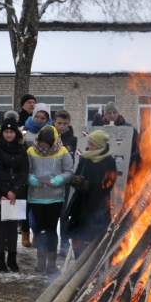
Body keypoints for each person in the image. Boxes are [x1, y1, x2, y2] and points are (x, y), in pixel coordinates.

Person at [27, 125, 73, 272]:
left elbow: (69, 172)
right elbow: (25, 172)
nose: (44, 147)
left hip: (55, 198)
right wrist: (35, 181)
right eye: (42, 144)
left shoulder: (63, 151)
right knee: (39, 230)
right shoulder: (30, 151)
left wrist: (56, 181)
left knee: (52, 230)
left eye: (47, 144)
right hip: (36, 197)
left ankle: (51, 263)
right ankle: (40, 261)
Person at [66, 129, 117, 257]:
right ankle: (78, 263)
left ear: (100, 146)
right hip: (80, 204)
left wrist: (88, 185)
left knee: (94, 239)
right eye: (89, 143)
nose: (90, 146)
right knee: (78, 238)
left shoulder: (109, 161)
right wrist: (75, 180)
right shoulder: (85, 157)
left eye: (93, 144)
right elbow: (77, 174)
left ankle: (93, 268)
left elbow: (108, 184)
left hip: (97, 206)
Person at [0, 112, 28, 272]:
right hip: (0, 192)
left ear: (16, 133)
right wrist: (7, 191)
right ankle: (0, 258)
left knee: (13, 226)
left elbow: (24, 171)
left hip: (16, 193)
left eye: (12, 132)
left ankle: (12, 257)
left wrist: (16, 190)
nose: (9, 135)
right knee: (0, 226)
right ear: (1, 133)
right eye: (6, 132)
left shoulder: (22, 149)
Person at [53, 109, 78, 255]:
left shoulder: (74, 140)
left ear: (69, 124)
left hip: (67, 183)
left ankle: (64, 242)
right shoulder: (50, 137)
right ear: (54, 122)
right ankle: (51, 243)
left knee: (64, 215)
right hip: (50, 182)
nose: (61, 126)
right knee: (51, 214)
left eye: (64, 123)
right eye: (59, 123)